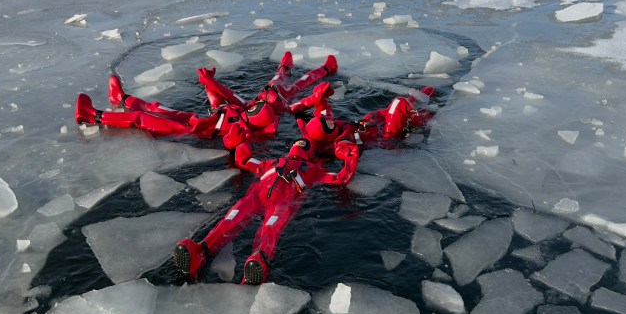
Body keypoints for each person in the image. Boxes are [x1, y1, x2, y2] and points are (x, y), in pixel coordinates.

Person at [173, 137, 360, 285]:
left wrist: (351, 156)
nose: (299, 143)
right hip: (255, 197)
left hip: (282, 203)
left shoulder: (313, 170)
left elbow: (339, 178)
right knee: (231, 218)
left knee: (270, 229)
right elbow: (246, 161)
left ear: (309, 151)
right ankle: (201, 249)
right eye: (297, 141)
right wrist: (241, 141)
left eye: (304, 143)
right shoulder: (272, 163)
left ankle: (259, 260)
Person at [74, 51, 338, 149]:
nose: (257, 103)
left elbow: (298, 106)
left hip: (190, 130)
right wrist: (210, 83)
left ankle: (94, 115)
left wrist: (317, 98)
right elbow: (226, 100)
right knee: (155, 107)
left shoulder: (247, 123)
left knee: (144, 119)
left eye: (257, 107)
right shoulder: (248, 110)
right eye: (259, 104)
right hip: (196, 122)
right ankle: (120, 98)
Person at [291, 84, 436, 154]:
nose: (329, 122)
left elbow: (323, 113)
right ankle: (424, 119)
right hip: (385, 135)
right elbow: (351, 153)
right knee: (399, 102)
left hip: (372, 123)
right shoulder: (341, 143)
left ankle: (415, 101)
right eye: (327, 126)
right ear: (327, 134)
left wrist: (319, 97)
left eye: (326, 121)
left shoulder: (332, 127)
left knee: (397, 105)